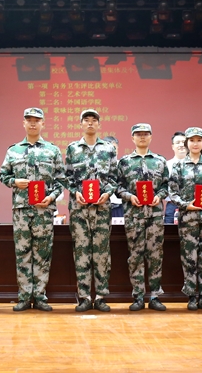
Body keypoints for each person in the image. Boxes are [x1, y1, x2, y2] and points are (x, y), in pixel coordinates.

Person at [0, 108, 65, 312]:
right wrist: (14, 181)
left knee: (43, 254)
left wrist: (51, 197)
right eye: (29, 120)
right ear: (24, 123)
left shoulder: (52, 150)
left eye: (37, 120)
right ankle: (24, 297)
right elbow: (3, 175)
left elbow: (61, 180)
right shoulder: (14, 150)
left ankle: (40, 296)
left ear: (43, 123)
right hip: (21, 210)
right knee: (23, 253)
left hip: (44, 210)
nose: (33, 123)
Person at [65, 109, 118, 312]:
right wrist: (75, 192)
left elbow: (114, 177)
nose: (90, 123)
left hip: (102, 208)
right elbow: (66, 177)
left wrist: (108, 192)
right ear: (80, 124)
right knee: (81, 252)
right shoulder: (72, 149)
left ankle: (101, 296)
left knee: (102, 253)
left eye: (93, 120)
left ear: (99, 124)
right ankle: (85, 297)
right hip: (79, 209)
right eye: (86, 120)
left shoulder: (108, 149)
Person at [116, 123, 169, 312]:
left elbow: (166, 185)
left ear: (151, 136)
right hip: (134, 215)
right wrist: (129, 196)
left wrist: (159, 196)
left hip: (155, 215)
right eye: (138, 134)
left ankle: (155, 296)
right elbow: (118, 186)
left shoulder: (160, 161)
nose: (142, 137)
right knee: (135, 256)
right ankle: (138, 296)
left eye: (146, 134)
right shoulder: (124, 162)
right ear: (132, 138)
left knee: (155, 255)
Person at [168, 127, 202, 312]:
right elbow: (172, 192)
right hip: (187, 218)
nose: (195, 143)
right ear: (186, 143)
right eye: (192, 140)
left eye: (199, 140)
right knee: (189, 257)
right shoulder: (179, 166)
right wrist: (185, 205)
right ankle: (191, 295)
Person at [165, 131, 187, 224]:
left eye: (183, 142)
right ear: (173, 146)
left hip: (191, 206)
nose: (181, 145)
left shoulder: (196, 165)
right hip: (172, 206)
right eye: (178, 142)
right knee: (170, 232)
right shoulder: (166, 165)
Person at [103, 136, 124, 218]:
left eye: (114, 148)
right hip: (102, 206)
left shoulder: (123, 165)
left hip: (119, 206)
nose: (111, 151)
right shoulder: (98, 167)